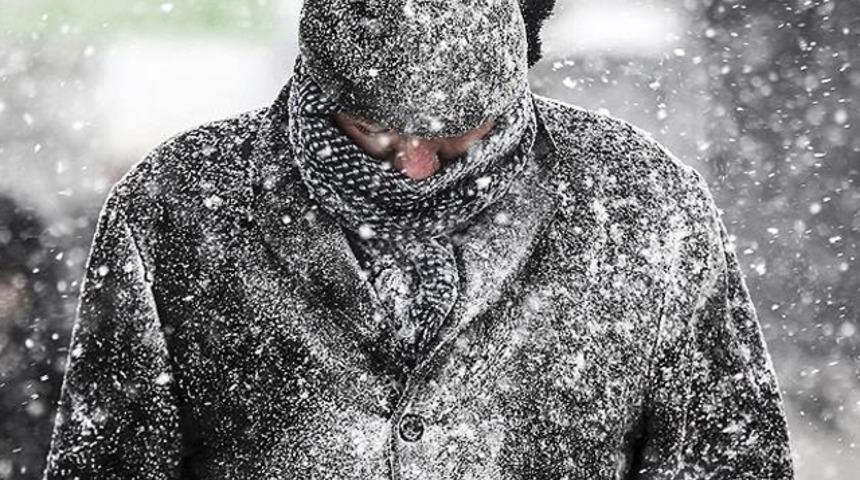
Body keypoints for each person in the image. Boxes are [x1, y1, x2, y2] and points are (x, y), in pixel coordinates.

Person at [43, 1, 795, 478]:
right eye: (372, 131)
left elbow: (728, 459)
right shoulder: (178, 206)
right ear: (318, 85)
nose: (415, 166)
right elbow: (107, 461)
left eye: (456, 136)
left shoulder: (642, 205)